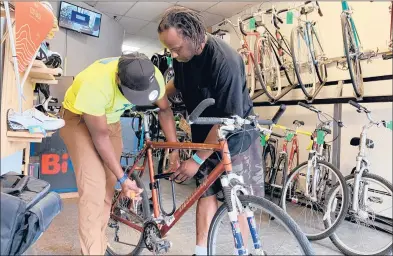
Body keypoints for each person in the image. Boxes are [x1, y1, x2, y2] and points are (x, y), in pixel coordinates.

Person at [158, 6, 265, 255]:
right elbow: (180, 83)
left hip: (236, 136)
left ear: (194, 36)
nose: (173, 54)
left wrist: (196, 159)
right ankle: (201, 250)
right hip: (205, 134)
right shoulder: (183, 55)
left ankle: (243, 251)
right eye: (169, 49)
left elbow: (228, 118)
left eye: (176, 48)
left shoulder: (224, 61)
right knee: (205, 190)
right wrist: (159, 96)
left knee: (238, 198)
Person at [60, 52, 179, 255]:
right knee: (93, 191)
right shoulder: (94, 83)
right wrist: (123, 178)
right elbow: (100, 137)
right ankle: (92, 250)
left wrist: (174, 149)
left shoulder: (153, 77)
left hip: (109, 120)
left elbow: (165, 110)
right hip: (79, 119)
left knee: (107, 189)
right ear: (118, 79)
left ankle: (97, 243)